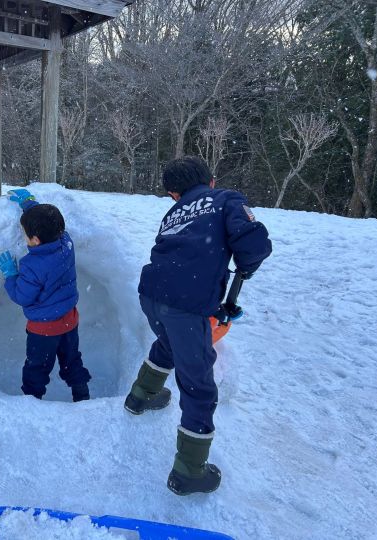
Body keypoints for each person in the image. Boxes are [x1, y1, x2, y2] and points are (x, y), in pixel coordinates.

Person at [125, 156, 272, 495]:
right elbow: (254, 243)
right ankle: (189, 471)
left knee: (167, 343)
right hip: (185, 305)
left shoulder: (173, 213)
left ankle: (141, 396)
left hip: (151, 294)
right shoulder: (226, 199)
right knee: (199, 385)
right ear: (212, 181)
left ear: (173, 194)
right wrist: (246, 267)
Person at [0, 189, 91, 402]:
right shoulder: (66, 244)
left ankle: (32, 400)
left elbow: (22, 296)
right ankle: (82, 395)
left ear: (35, 240)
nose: (23, 236)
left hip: (44, 330)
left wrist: (11, 275)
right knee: (72, 361)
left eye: (24, 234)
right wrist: (30, 204)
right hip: (69, 321)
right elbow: (49, 225)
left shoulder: (32, 265)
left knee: (36, 367)